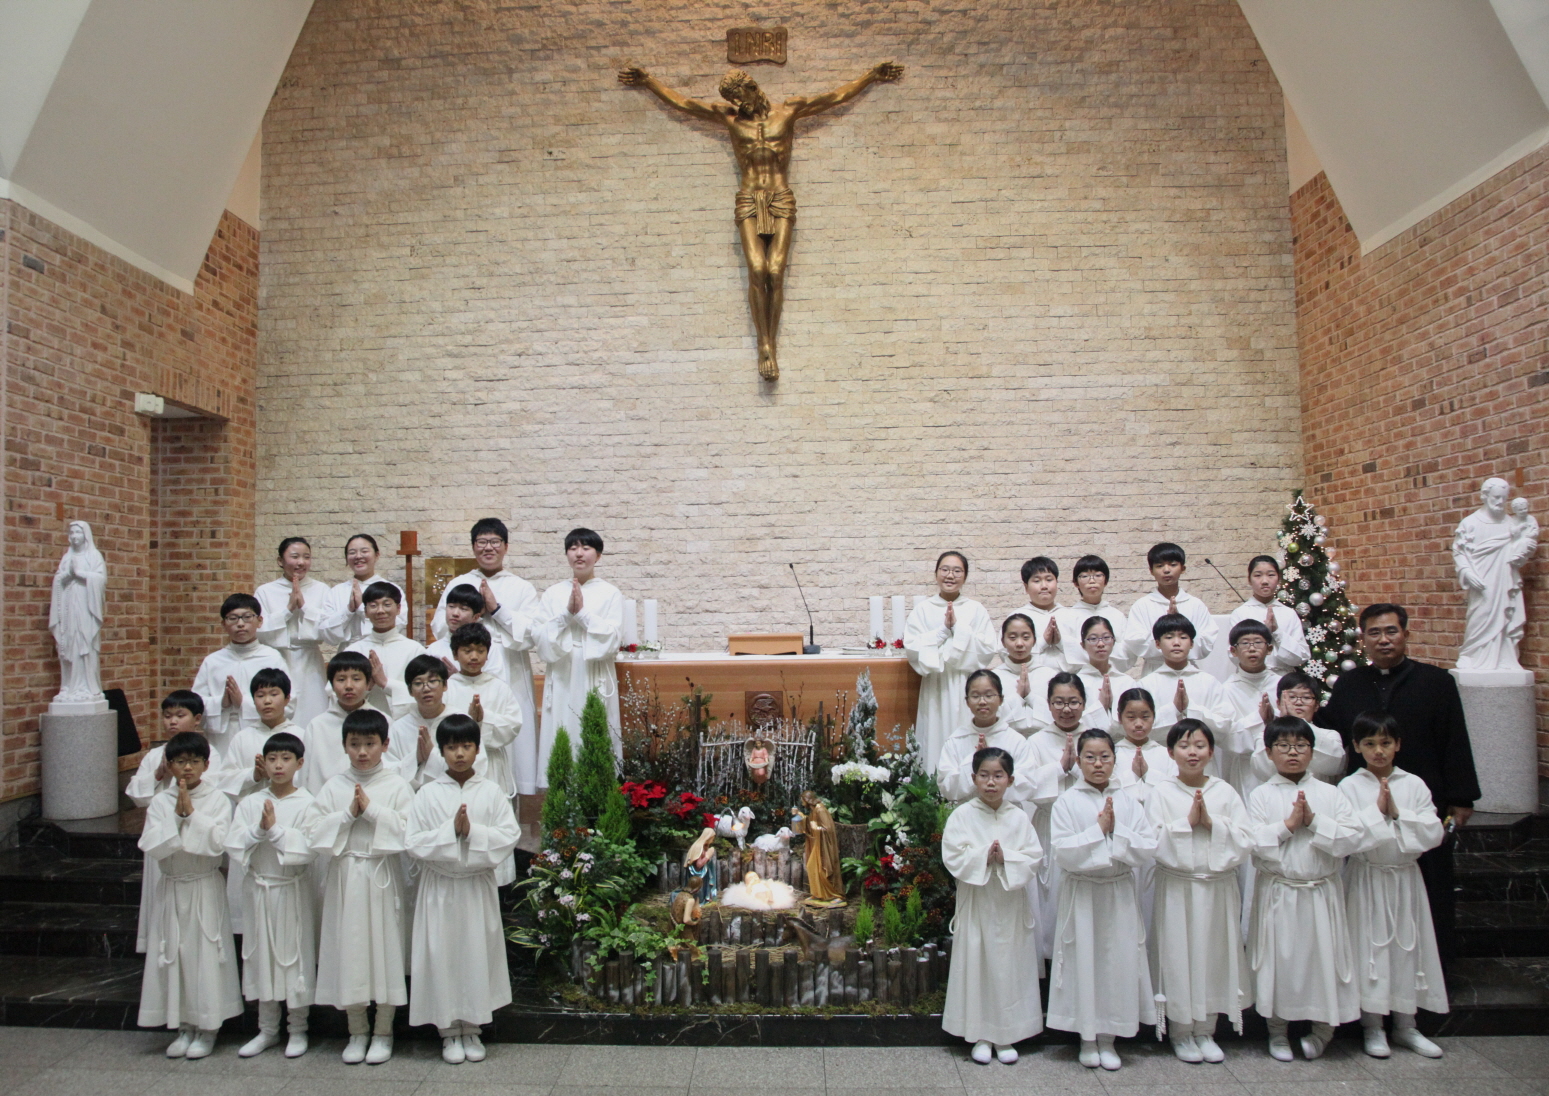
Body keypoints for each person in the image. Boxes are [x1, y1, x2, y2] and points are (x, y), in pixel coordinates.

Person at [617, 61, 902, 381]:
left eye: (741, 95)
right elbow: (684, 103)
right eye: (734, 100)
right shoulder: (728, 117)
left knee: (775, 270)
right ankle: (764, 344)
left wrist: (870, 76)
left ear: (752, 87)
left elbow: (835, 97)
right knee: (756, 268)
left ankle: (772, 343)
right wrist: (649, 81)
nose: (740, 103)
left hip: (780, 197)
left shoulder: (789, 111)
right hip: (749, 199)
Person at [1321, 603, 1479, 956]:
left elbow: (1455, 739)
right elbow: (1331, 732)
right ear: (1363, 639)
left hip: (1422, 796)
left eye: (1391, 631)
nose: (1383, 640)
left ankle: (1434, 961)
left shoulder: (1436, 682)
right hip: (1364, 797)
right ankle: (1370, 964)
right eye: (1374, 633)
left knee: (1432, 879)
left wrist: (1461, 796)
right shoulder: (1349, 684)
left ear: (1406, 634)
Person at [406, 714, 521, 1064]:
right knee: (441, 954)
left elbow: (509, 835)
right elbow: (412, 841)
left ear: (477, 749)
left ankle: (472, 1025)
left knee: (475, 953)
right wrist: (450, 833)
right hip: (440, 886)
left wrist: (472, 832)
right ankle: (447, 1030)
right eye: (452, 747)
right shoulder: (427, 793)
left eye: (466, 746)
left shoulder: (491, 791)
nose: (459, 754)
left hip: (475, 886)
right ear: (441, 751)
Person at [1247, 715, 1362, 1061]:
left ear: (1312, 751)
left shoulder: (1330, 793)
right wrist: (1287, 826)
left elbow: (1352, 839)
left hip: (1321, 892)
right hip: (1280, 890)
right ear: (1269, 752)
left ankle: (1323, 1030)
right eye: (1283, 746)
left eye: (1300, 745)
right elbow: (1252, 843)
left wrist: (1313, 822)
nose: (1293, 752)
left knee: (1323, 961)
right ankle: (1277, 1031)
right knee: (1279, 960)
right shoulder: (1261, 795)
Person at [304, 709, 415, 1065]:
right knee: (349, 951)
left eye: (370, 743)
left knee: (384, 950)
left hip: (381, 875)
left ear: (385, 744)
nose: (362, 752)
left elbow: (409, 831)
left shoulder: (396, 785)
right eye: (355, 744)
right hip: (345, 877)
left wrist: (372, 811)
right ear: (344, 746)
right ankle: (356, 1030)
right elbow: (312, 832)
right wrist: (348, 814)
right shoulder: (334, 786)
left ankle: (383, 1031)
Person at [1045, 729, 1157, 1071]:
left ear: (1114, 760)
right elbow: (1062, 852)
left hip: (1117, 891)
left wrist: (1115, 830)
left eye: (1105, 757)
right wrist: (1098, 830)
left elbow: (1147, 846)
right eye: (1090, 757)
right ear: (1078, 761)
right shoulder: (1066, 801)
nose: (1098, 764)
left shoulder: (1128, 800)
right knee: (1084, 962)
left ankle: (1109, 1037)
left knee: (1116, 963)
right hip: (1082, 893)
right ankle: (1087, 1037)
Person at [1339, 712, 1448, 1059]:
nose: (1378, 751)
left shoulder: (1413, 784)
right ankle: (1372, 1026)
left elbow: (1433, 832)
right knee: (1369, 949)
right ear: (1356, 747)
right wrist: (1376, 812)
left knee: (1407, 949)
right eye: (1369, 743)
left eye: (1385, 743)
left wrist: (1399, 813)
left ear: (1398, 745)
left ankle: (1406, 1025)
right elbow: (1346, 836)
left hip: (1403, 878)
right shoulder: (1349, 787)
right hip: (1367, 876)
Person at [1146, 719, 1254, 1064]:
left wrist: (1212, 823)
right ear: (1170, 752)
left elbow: (1246, 840)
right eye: (1184, 745)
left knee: (1214, 956)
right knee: (1178, 956)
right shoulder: (1161, 792)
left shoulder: (1225, 791)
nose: (1192, 752)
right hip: (1178, 887)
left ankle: (1206, 1029)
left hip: (1216, 887)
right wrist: (1186, 824)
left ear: (1211, 751)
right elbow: (1151, 840)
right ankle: (1181, 1031)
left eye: (1199, 745)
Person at [136, 730, 242, 1059]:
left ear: (206, 765)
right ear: (168, 765)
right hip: (172, 885)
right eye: (180, 761)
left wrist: (192, 816)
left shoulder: (217, 799)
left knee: (205, 955)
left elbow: (220, 843)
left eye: (194, 761)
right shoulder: (160, 801)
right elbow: (151, 844)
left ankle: (208, 1027)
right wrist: (177, 816)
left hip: (203, 884)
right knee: (175, 954)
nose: (187, 768)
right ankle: (183, 1025)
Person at [941, 746, 1044, 1065]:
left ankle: (1007, 1034)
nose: (990, 782)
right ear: (973, 778)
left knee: (1009, 966)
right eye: (984, 775)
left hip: (1010, 904)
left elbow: (1033, 857)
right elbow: (952, 855)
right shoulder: (962, 815)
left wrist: (1007, 857)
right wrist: (983, 856)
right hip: (978, 902)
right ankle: (981, 1035)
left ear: (1010, 780)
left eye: (998, 775)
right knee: (978, 965)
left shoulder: (1019, 817)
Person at [431, 519, 542, 794]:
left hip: (509, 672)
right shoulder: (459, 583)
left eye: (494, 542)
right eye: (482, 542)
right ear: (473, 547)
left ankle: (508, 802)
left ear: (505, 547)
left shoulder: (521, 587)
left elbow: (532, 634)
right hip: (462, 675)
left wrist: (497, 609)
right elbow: (439, 626)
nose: (488, 548)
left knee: (506, 730)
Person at [225, 730, 317, 1059]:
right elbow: (233, 843)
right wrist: (258, 830)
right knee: (261, 957)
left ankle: (298, 1028)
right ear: (262, 763)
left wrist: (275, 832)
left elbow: (309, 848)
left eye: (286, 759)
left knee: (294, 957)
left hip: (291, 890)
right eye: (272, 759)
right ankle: (267, 1029)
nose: (279, 765)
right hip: (260, 889)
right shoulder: (251, 802)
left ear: (299, 763)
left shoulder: (308, 803)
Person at [127, 692, 225, 957]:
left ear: (197, 719)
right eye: (167, 716)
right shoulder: (155, 756)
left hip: (195, 841)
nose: (172, 722)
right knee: (163, 907)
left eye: (180, 716)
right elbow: (136, 795)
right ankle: (159, 946)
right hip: (163, 835)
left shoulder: (209, 754)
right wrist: (159, 774)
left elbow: (211, 788)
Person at [535, 528, 624, 772]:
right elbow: (540, 636)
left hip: (594, 670)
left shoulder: (610, 593)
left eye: (586, 548)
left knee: (594, 725)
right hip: (563, 669)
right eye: (573, 548)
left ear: (598, 555)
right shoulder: (553, 593)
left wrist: (582, 614)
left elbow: (613, 638)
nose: (579, 553)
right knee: (562, 725)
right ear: (566, 554)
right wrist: (566, 614)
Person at [904, 552, 998, 771]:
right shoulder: (923, 610)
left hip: (966, 684)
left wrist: (958, 628)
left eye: (957, 571)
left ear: (965, 576)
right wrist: (941, 632)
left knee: (965, 736)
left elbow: (987, 648)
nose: (950, 575)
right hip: (936, 685)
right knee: (935, 737)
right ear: (936, 573)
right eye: (945, 569)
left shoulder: (976, 609)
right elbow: (913, 648)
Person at [1025, 672, 1087, 961]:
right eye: (1059, 702)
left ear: (1084, 703)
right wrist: (1060, 768)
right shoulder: (1036, 742)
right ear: (1048, 705)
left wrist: (1078, 768)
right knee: (1049, 894)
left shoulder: (1095, 738)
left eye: (1073, 702)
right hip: (1049, 823)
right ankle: (1049, 961)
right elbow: (1027, 787)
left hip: (1085, 825)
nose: (1066, 709)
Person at [191, 593, 288, 758]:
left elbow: (289, 703)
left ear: (260, 621)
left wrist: (243, 702)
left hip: (261, 734)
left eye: (247, 617)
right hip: (221, 738)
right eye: (233, 618)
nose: (240, 624)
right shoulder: (213, 661)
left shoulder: (272, 658)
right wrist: (221, 703)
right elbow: (195, 705)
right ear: (223, 624)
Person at [256, 537, 332, 726]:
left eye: (306, 557)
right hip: (277, 659)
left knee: (314, 714)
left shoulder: (321, 589)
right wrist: (288, 610)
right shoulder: (265, 591)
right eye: (295, 556)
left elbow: (329, 629)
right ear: (280, 561)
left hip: (310, 660)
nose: (301, 562)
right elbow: (258, 630)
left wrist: (305, 608)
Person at [934, 670, 1035, 811]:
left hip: (1007, 814)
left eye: (989, 695)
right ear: (967, 701)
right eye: (975, 696)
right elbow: (947, 789)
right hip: (968, 815)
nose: (982, 702)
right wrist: (973, 761)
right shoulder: (956, 740)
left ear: (1001, 699)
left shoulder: (1015, 740)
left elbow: (1027, 786)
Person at [298, 651, 395, 795]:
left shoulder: (384, 721)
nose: (349, 686)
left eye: (356, 679)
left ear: (368, 683)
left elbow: (392, 769)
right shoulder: (317, 725)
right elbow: (304, 775)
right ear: (331, 684)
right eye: (341, 679)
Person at [444, 623, 522, 802]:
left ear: (487, 655)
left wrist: (483, 719)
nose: (474, 656)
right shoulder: (447, 688)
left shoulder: (499, 687)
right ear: (455, 654)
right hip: (455, 762)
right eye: (467, 651)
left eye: (480, 651)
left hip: (492, 765)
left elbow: (514, 724)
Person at [1123, 543, 1219, 676]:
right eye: (1160, 566)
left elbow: (1206, 642)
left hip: (1188, 670)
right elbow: (1136, 642)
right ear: (1151, 570)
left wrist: (1180, 626)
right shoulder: (1142, 606)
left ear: (1183, 568)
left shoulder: (1195, 605)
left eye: (1173, 565)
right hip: (1155, 671)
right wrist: (1166, 630)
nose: (1166, 570)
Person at [1137, 614, 1231, 746]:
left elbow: (1224, 726)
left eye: (1183, 637)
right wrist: (1173, 709)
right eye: (1169, 637)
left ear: (1192, 643)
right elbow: (1139, 728)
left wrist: (1190, 708)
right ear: (1157, 643)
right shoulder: (1146, 685)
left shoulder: (1209, 682)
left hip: (1202, 755)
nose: (1176, 643)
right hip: (1160, 755)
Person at [1247, 670, 1347, 787]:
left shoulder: (1329, 735)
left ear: (1316, 705)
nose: (1298, 702)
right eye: (1292, 697)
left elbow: (1336, 766)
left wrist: (1298, 723)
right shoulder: (1264, 735)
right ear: (1278, 703)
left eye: (1306, 697)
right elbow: (1262, 771)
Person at [344, 581, 427, 719]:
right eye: (373, 605)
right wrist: (365, 688)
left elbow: (425, 691)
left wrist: (385, 683)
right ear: (366, 612)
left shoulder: (415, 651)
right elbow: (334, 693)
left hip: (405, 722)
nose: (380, 611)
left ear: (398, 608)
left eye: (387, 604)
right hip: (362, 723)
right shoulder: (353, 651)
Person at [1219, 619, 1281, 795]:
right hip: (1246, 767)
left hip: (1281, 761)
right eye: (1245, 643)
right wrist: (1259, 719)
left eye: (1258, 642)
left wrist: (1274, 718)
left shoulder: (1281, 685)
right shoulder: (1226, 690)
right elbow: (1227, 737)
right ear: (1233, 651)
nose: (1252, 649)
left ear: (1269, 648)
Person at [320, 534, 408, 648]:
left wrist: (362, 608)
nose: (358, 556)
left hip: (382, 647)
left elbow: (399, 625)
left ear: (377, 555)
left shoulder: (391, 589)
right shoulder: (336, 592)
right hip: (348, 652)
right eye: (352, 552)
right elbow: (327, 635)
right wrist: (349, 610)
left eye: (364, 551)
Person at [1228, 556, 1309, 675]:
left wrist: (1276, 632)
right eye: (1258, 575)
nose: (1265, 581)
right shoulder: (1241, 613)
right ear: (1249, 580)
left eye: (1271, 575)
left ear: (1279, 579)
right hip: (1251, 678)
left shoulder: (1288, 613)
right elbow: (1234, 654)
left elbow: (1301, 656)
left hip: (1283, 677)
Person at [1050, 555, 1131, 670]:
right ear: (1076, 583)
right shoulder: (1067, 617)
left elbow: (1126, 653)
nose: (1092, 581)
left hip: (1112, 674)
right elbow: (1064, 654)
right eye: (1085, 576)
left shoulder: (1117, 616)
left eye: (1098, 575)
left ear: (1106, 581)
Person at [426, 585, 510, 685]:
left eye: (464, 609)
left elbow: (498, 687)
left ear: (476, 617)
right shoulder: (433, 650)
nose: (455, 613)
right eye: (451, 606)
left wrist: (458, 678)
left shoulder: (487, 649)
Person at [1011, 557, 1067, 671]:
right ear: (1026, 587)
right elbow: (1006, 653)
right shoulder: (1016, 618)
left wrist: (1060, 643)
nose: (1044, 586)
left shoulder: (1071, 615)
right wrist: (1043, 642)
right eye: (1037, 581)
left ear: (1057, 583)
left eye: (1049, 579)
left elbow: (1084, 654)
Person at [989, 614, 1039, 733]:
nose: (1019, 643)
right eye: (1012, 638)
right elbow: (989, 716)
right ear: (1003, 641)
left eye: (1026, 637)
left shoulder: (1049, 675)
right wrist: (1018, 697)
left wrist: (1030, 697)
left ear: (1034, 640)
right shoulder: (994, 678)